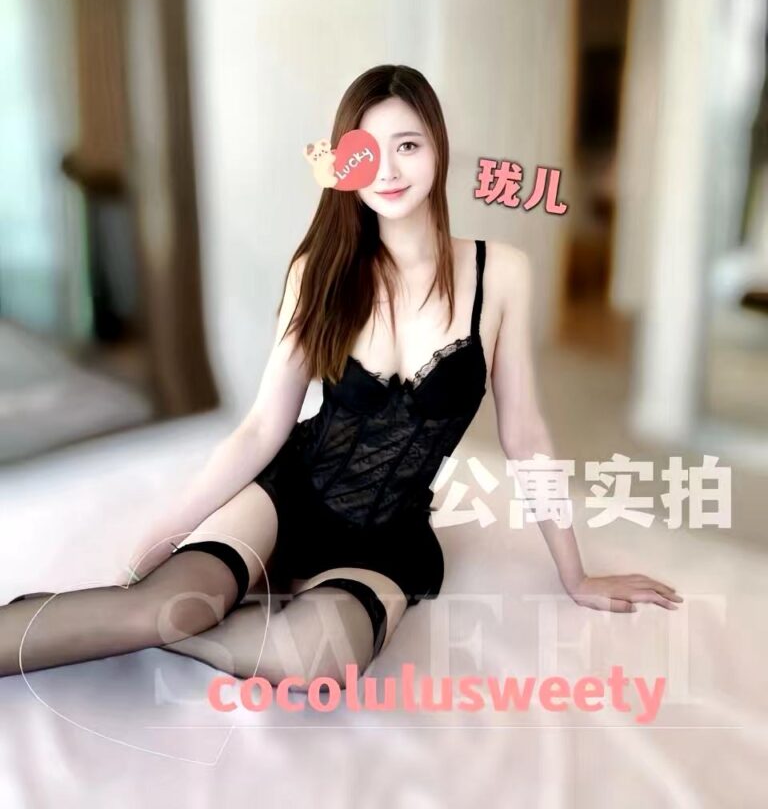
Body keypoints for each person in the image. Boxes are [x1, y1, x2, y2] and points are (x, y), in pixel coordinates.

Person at [0, 64, 683, 684]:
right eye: (368, 150)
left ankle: (177, 621)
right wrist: (158, 541)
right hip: (286, 494)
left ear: (439, 150)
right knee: (161, 607)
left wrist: (576, 574)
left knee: (315, 657)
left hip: (388, 537)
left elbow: (526, 434)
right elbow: (262, 427)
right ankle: (134, 617)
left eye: (408, 145)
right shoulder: (321, 272)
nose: (389, 169)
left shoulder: (500, 272)